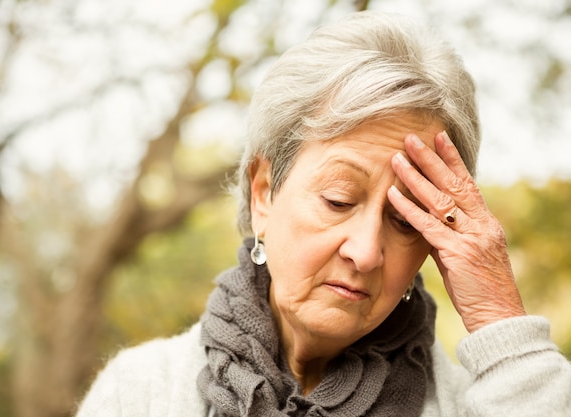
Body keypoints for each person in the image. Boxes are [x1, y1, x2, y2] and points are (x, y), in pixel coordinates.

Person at [75, 10, 571, 417]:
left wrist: (498, 319)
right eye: (338, 200)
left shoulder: (482, 405)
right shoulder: (139, 394)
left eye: (405, 218)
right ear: (264, 194)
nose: (366, 252)